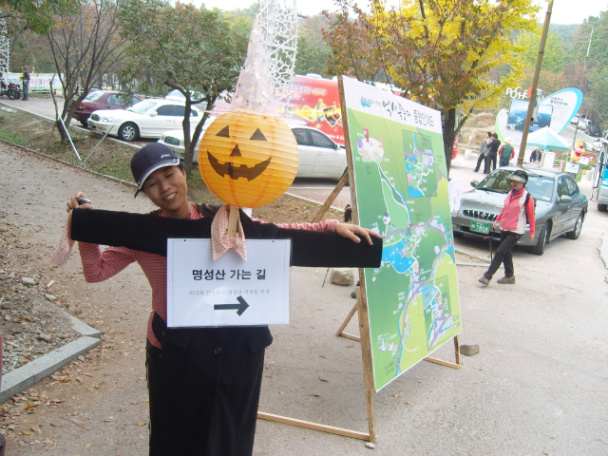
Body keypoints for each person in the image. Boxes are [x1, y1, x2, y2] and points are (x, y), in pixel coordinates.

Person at [66, 143, 381, 456]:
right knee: (174, 433)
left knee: (226, 433)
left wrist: (330, 226)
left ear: (184, 172)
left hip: (227, 347)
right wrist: (89, 230)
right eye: (152, 183)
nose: (164, 187)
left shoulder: (221, 220)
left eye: (169, 174)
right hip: (171, 346)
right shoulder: (141, 234)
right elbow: (96, 271)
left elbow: (273, 233)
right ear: (144, 192)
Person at [478, 170, 535, 286]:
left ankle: (487, 276)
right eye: (513, 180)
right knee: (506, 252)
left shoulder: (527, 197)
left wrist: (532, 231)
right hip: (505, 227)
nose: (514, 183)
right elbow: (505, 209)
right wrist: (497, 220)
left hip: (516, 230)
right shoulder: (510, 193)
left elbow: (531, 215)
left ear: (523, 183)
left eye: (517, 181)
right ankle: (509, 276)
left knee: (500, 252)